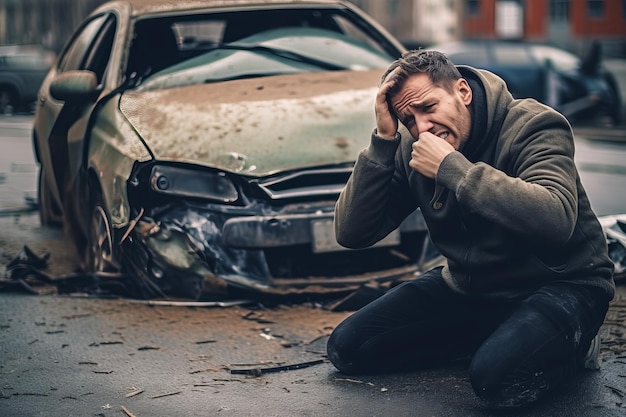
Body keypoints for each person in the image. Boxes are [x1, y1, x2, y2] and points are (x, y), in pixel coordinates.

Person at [326, 49, 615, 409]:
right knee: (349, 348)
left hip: (562, 283)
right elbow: (352, 232)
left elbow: (555, 221)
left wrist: (453, 169)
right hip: (473, 287)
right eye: (409, 119)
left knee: (497, 380)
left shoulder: (533, 125)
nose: (422, 127)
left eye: (428, 107)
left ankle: (574, 343)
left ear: (462, 91)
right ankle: (502, 336)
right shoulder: (410, 147)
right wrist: (384, 141)